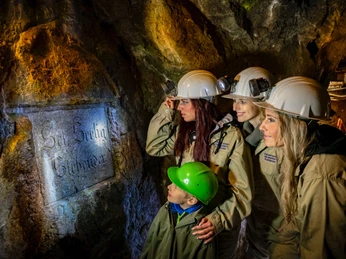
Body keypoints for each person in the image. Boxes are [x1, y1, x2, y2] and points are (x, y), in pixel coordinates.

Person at [146, 69, 253, 258]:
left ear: (203, 104)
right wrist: (165, 112)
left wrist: (217, 221)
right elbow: (155, 147)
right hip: (186, 222)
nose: (180, 107)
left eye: (185, 102)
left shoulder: (231, 137)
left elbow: (243, 194)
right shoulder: (186, 132)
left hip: (213, 230)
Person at [253, 76, 346, 258]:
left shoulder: (322, 175)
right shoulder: (304, 154)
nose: (262, 126)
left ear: (295, 125)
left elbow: (320, 250)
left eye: (271, 119)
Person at [222, 67, 283, 258]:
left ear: (261, 100)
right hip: (254, 225)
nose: (234, 107)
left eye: (242, 101)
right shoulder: (242, 135)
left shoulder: (282, 138)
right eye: (234, 101)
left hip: (280, 230)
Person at [140, 161, 219, 259]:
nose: (169, 187)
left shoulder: (201, 231)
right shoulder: (166, 210)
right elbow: (150, 242)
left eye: (176, 186)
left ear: (191, 200)